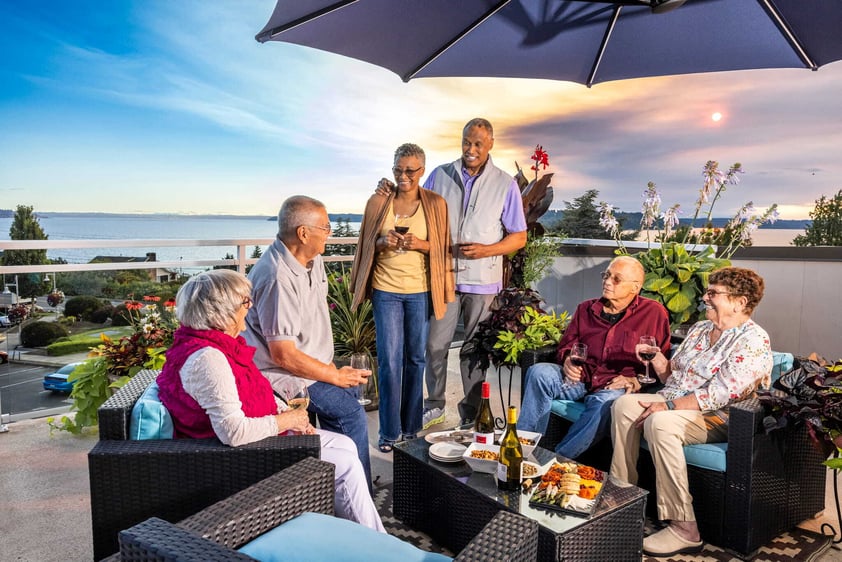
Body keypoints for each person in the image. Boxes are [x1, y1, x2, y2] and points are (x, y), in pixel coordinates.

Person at [156, 269, 384, 532]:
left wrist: (290, 415)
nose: (250, 306)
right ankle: (378, 541)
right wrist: (288, 419)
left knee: (345, 444)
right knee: (343, 465)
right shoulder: (208, 359)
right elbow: (233, 431)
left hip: (258, 439)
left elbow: (254, 391)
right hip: (238, 457)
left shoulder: (222, 346)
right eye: (244, 302)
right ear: (222, 312)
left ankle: (346, 529)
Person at [609, 267, 773, 557]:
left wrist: (667, 406)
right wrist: (657, 358)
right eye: (707, 291)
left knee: (661, 423)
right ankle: (623, 498)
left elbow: (720, 394)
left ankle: (685, 528)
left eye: (713, 293)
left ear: (740, 302)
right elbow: (674, 375)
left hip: (719, 417)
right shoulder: (700, 329)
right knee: (623, 406)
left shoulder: (753, 340)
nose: (705, 298)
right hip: (674, 401)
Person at [381, 118, 527, 428]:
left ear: (489, 146)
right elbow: (411, 203)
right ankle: (435, 404)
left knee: (473, 351)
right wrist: (389, 190)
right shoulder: (439, 175)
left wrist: (487, 250)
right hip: (443, 274)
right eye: (466, 142)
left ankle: (471, 414)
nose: (471, 149)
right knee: (434, 344)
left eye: (477, 144)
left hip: (483, 281)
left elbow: (519, 236)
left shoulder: (505, 184)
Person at [242, 196, 373, 489]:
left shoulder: (313, 261)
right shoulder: (277, 277)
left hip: (309, 366)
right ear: (303, 233)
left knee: (350, 399)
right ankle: (357, 494)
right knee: (351, 414)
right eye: (325, 227)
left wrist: (332, 372)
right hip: (283, 377)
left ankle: (329, 483)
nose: (330, 232)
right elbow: (283, 355)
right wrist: (335, 376)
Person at [350, 143, 455, 453]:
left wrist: (418, 243)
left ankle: (411, 429)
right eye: (398, 170)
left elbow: (441, 246)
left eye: (410, 170)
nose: (403, 176)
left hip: (420, 291)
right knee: (390, 363)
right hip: (387, 291)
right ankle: (388, 433)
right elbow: (369, 243)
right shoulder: (378, 201)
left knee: (415, 360)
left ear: (422, 171)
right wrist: (385, 241)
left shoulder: (436, 204)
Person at [518, 255, 671, 460]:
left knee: (607, 402)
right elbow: (566, 346)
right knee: (539, 372)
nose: (607, 282)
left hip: (614, 386)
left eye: (616, 279)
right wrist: (568, 360)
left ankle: (557, 461)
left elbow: (661, 357)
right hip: (579, 380)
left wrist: (635, 381)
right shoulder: (586, 309)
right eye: (606, 275)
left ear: (635, 287)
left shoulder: (653, 313)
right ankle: (522, 449)